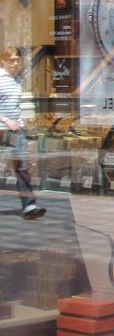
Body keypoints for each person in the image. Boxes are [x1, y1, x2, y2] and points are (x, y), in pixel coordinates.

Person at [0, 48, 44, 220]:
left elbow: (15, 105)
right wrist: (6, 120)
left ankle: (29, 206)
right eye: (12, 60)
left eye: (17, 60)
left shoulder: (17, 79)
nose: (16, 63)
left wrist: (20, 122)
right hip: (2, 129)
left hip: (15, 131)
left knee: (22, 167)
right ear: (3, 62)